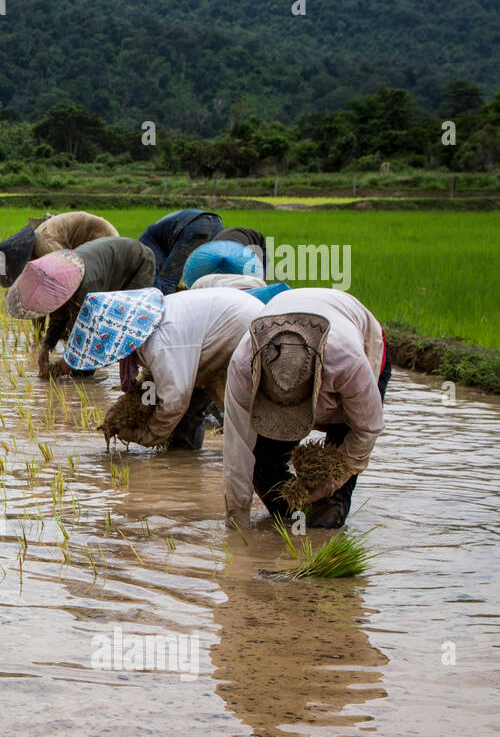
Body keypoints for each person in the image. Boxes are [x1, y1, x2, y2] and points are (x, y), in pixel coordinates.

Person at [222, 288, 390, 529]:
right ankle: (291, 528)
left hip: (356, 347)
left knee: (331, 505)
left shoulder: (347, 361)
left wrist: (331, 483)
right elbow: (237, 452)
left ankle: (320, 532)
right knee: (264, 467)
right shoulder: (243, 365)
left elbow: (367, 429)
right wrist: (237, 524)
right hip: (288, 353)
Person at [65, 287, 265, 450]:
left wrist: (147, 435)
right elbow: (154, 379)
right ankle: (185, 461)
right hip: (223, 330)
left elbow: (174, 399)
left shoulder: (160, 343)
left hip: (243, 332)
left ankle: (257, 460)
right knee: (193, 408)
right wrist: (137, 406)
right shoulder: (146, 324)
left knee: (241, 415)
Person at [5, 237, 156, 378]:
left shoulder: (87, 289)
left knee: (128, 322)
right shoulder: (56, 282)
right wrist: (46, 346)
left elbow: (97, 329)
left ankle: (141, 377)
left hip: (137, 263)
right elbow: (59, 317)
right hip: (107, 266)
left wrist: (65, 365)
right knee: (75, 331)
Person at [0, 210, 119, 288]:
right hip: (87, 243)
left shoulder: (47, 246)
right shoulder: (37, 242)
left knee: (85, 285)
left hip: (103, 240)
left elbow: (64, 274)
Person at [138, 208, 225, 294]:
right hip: (217, 223)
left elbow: (156, 271)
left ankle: (165, 306)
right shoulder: (154, 234)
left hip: (195, 226)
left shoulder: (145, 243)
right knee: (207, 277)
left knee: (167, 279)